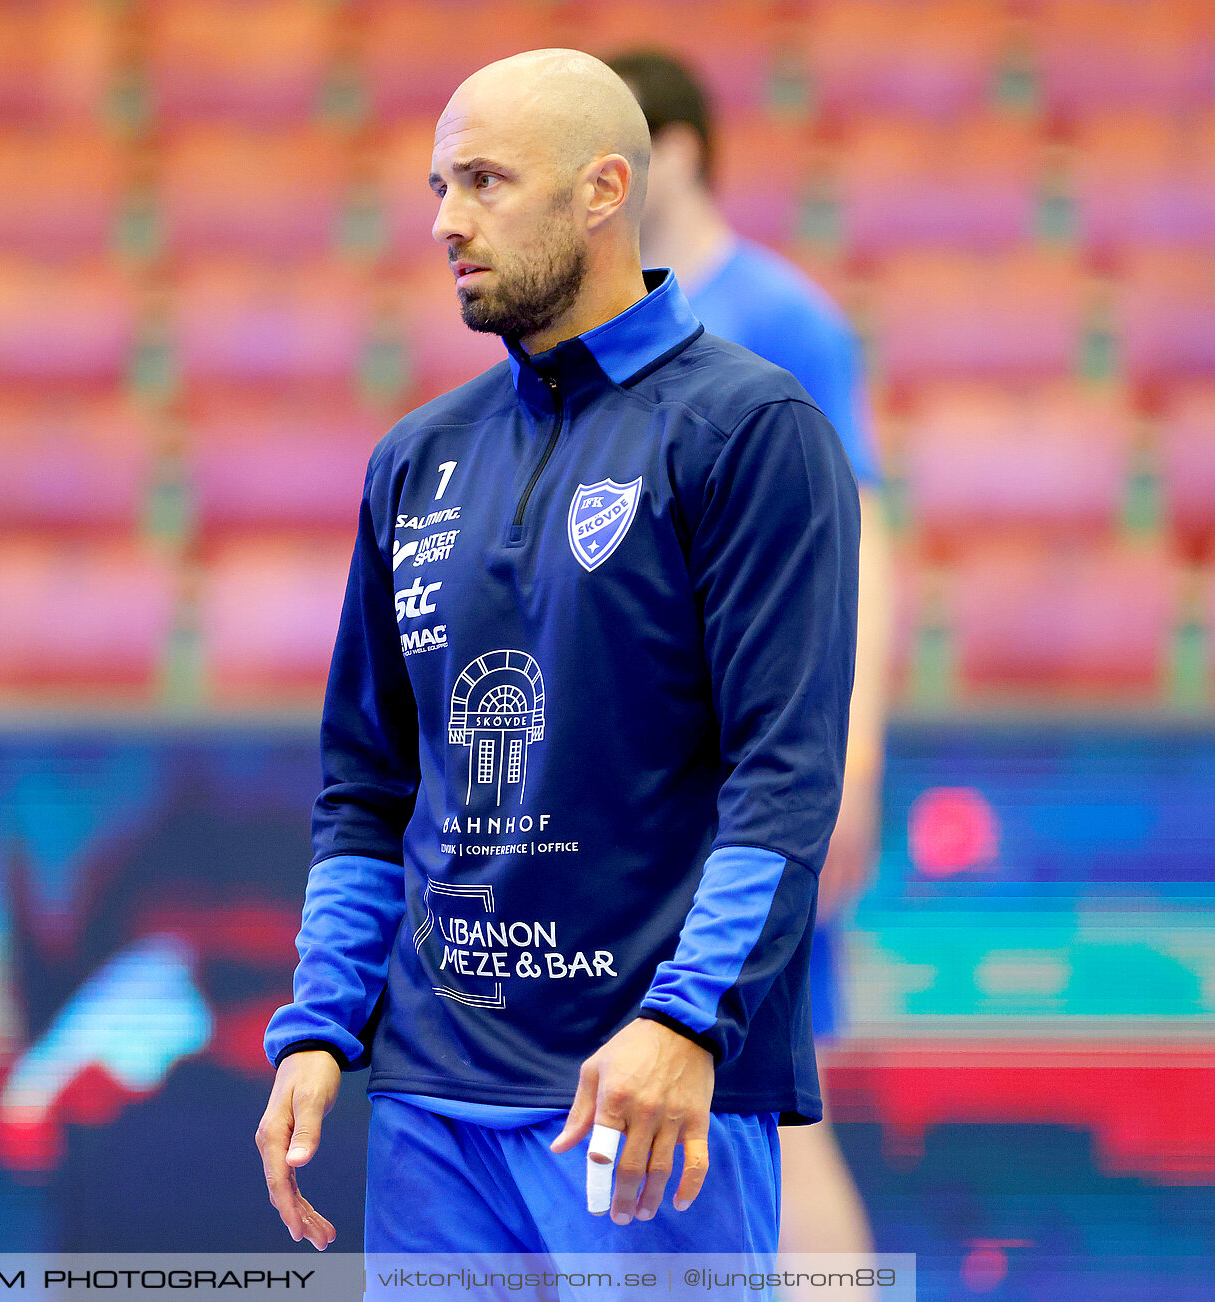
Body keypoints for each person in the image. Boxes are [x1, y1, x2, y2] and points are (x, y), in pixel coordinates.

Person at [255, 49, 860, 1262]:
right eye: (438, 186)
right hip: (433, 1102)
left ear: (601, 192)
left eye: (483, 181)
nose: (444, 221)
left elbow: (781, 781)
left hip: (637, 1097)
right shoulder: (413, 462)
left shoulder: (752, 430)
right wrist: (319, 1029)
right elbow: (366, 793)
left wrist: (687, 1025)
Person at [604, 50, 890, 1281]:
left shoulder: (782, 319)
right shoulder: (618, 331)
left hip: (757, 773)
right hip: (659, 780)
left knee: (767, 1087)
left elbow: (865, 542)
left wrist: (854, 753)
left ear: (672, 154)